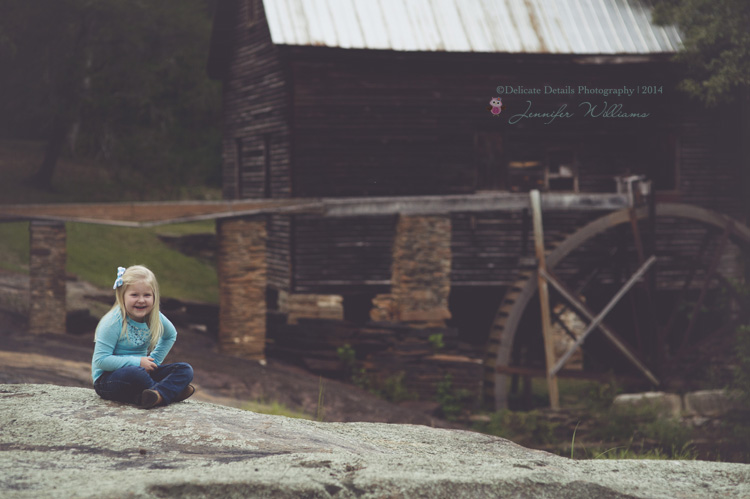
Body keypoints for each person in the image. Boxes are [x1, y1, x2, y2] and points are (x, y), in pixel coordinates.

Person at [92, 265, 195, 409]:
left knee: (185, 369)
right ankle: (167, 393)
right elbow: (101, 360)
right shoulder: (113, 322)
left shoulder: (155, 317)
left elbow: (170, 335)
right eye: (134, 295)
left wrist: (154, 363)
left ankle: (155, 396)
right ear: (122, 296)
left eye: (147, 295)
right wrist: (137, 362)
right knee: (135, 374)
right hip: (109, 380)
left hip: (142, 372)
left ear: (154, 296)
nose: (141, 300)